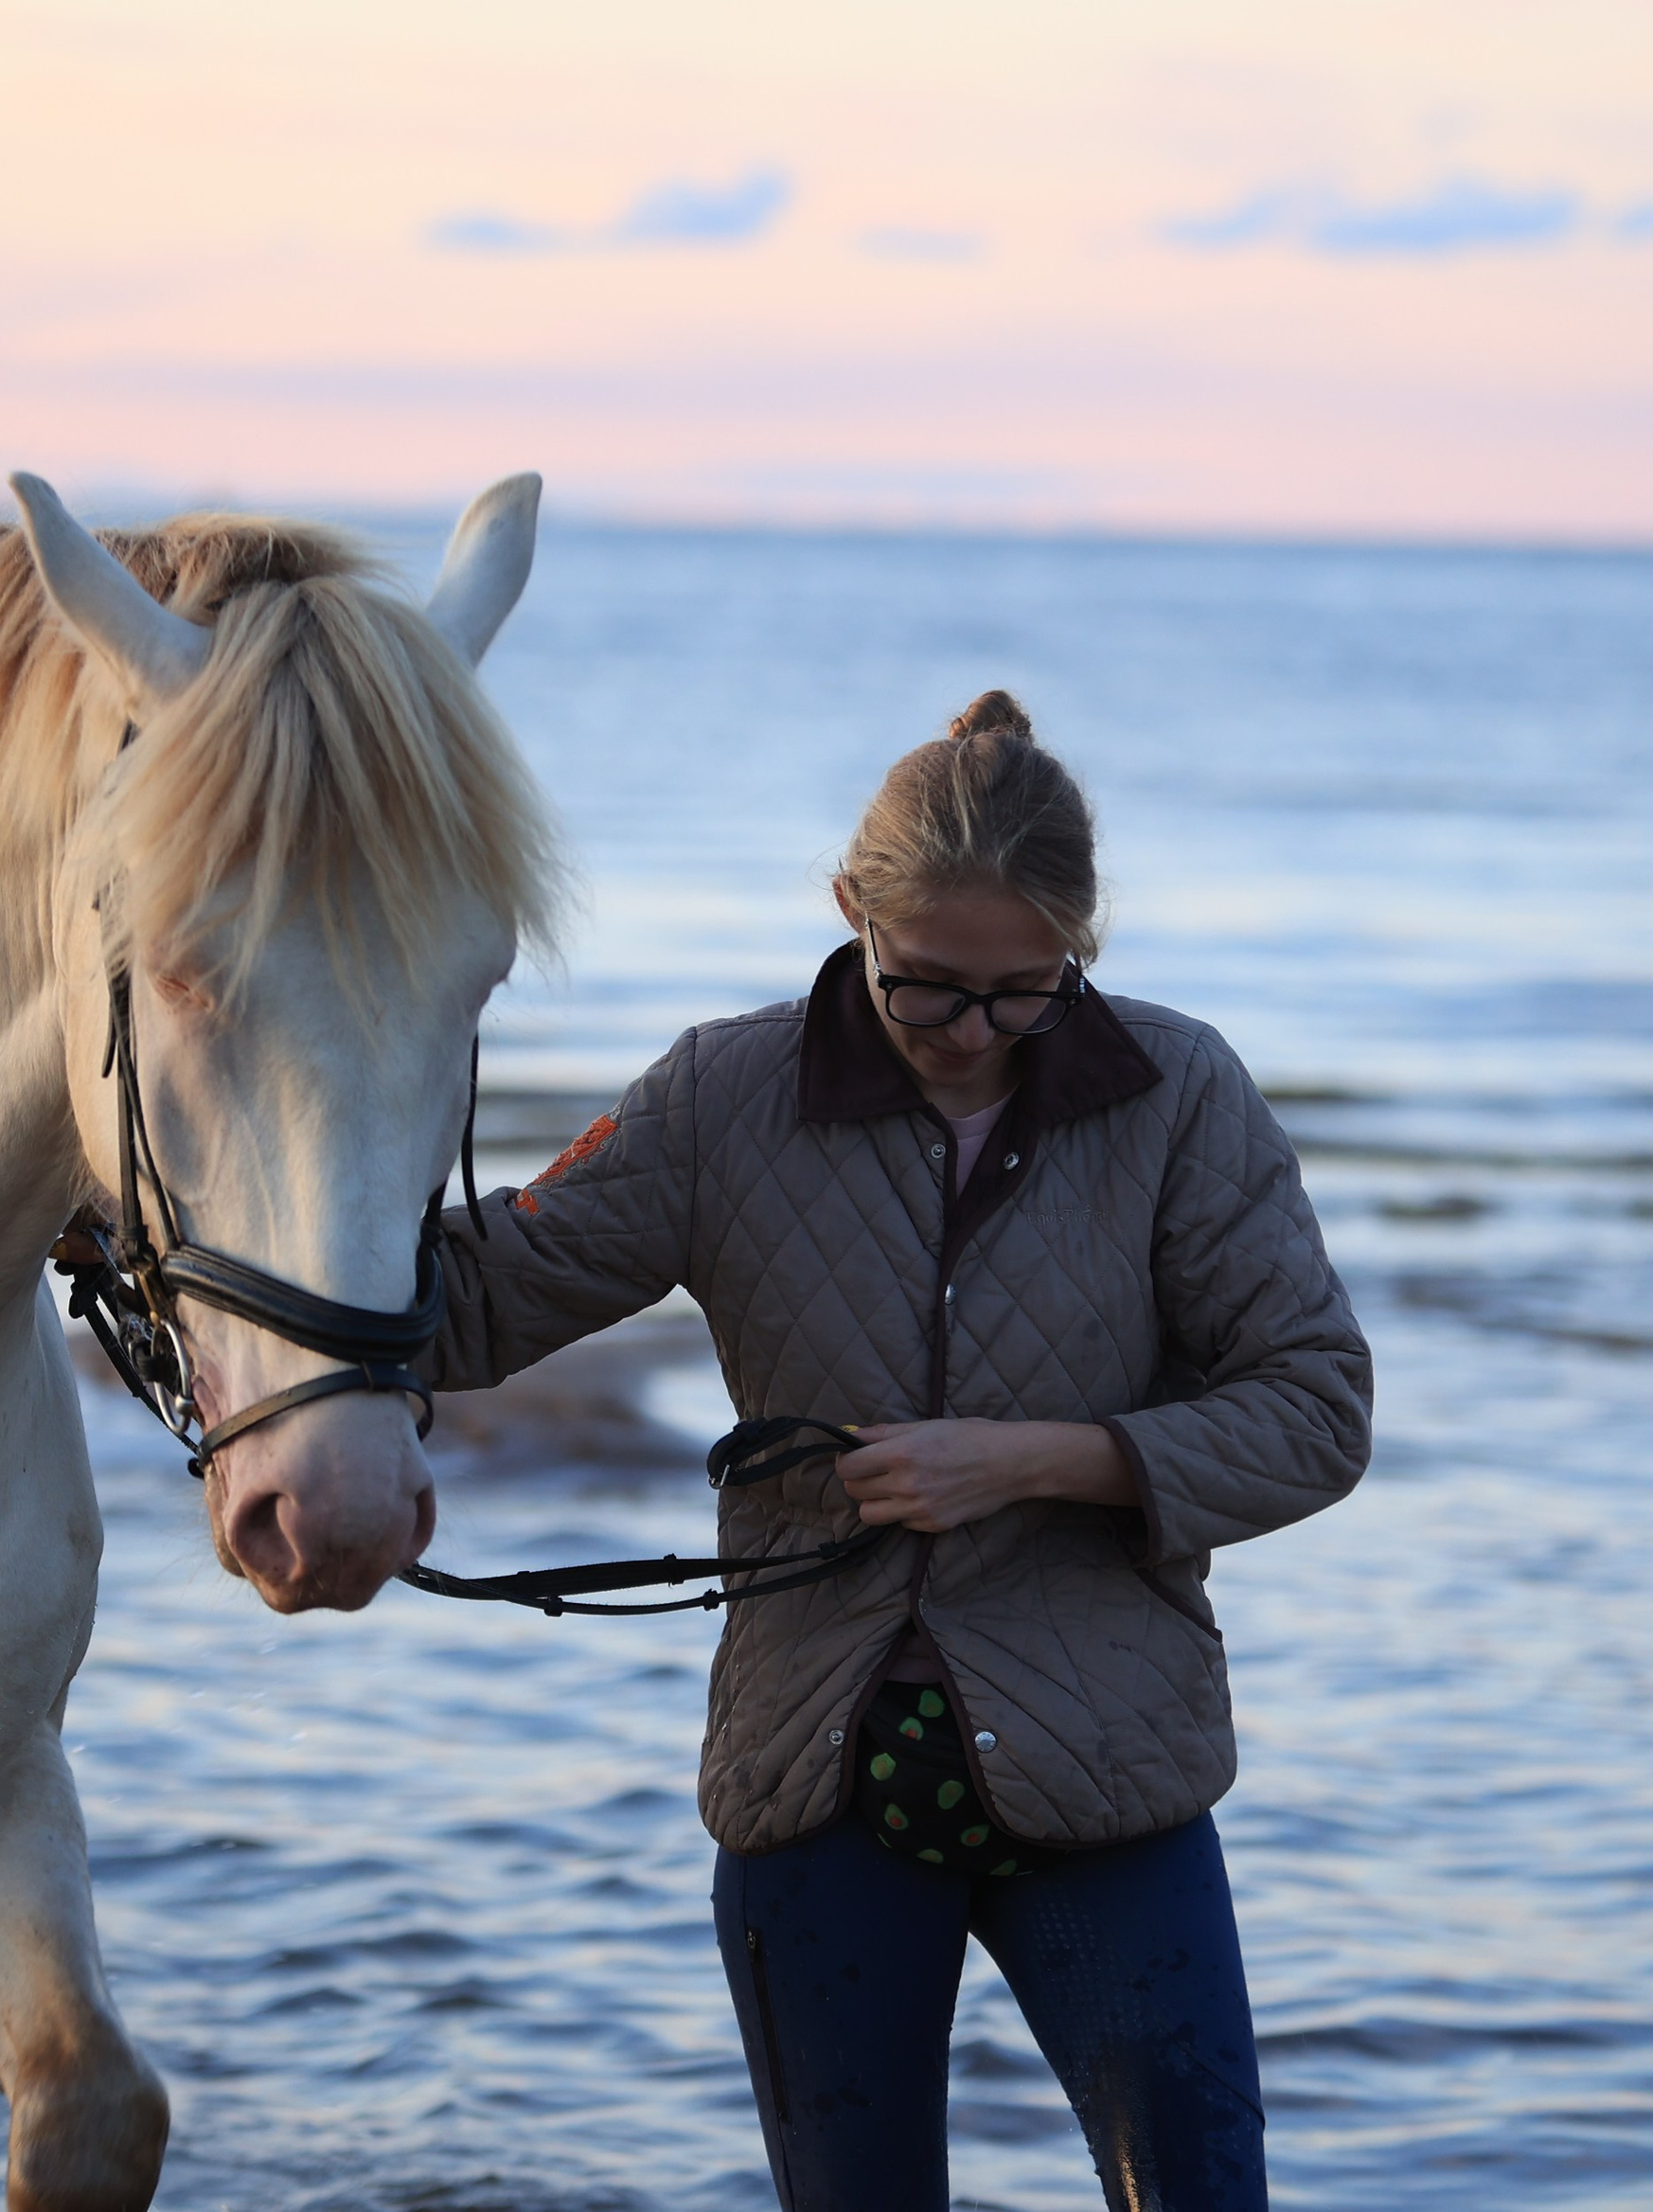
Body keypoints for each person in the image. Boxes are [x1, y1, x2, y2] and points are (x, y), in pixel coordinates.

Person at [424, 691, 1372, 2212]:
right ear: (851, 910)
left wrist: (1030, 1461)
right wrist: (219, 1222)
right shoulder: (720, 1094)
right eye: (927, 990)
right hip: (814, 1782)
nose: (972, 1036)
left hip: (1109, 1769)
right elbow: (468, 1311)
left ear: (1080, 949)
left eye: (1025, 994)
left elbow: (1317, 1408)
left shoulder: (1182, 1094)